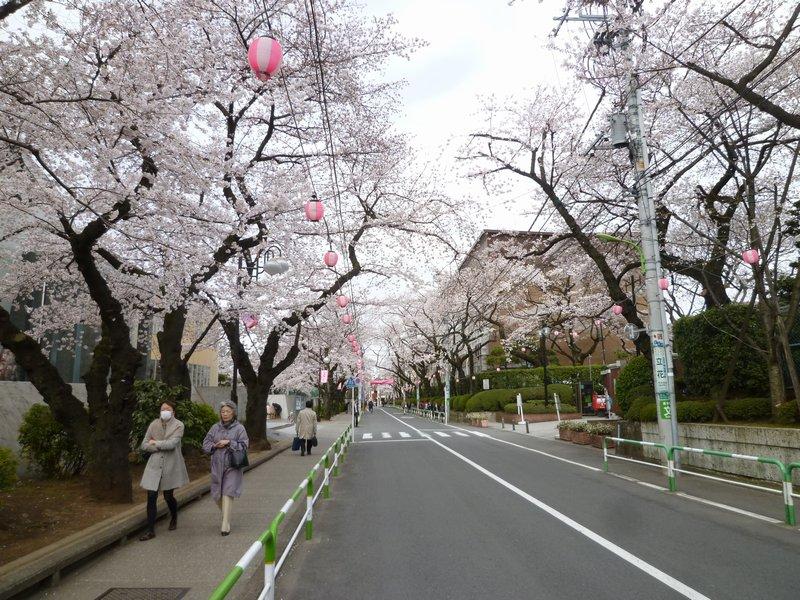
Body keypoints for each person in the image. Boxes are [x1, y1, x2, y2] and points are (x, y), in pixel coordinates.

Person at [138, 400, 189, 541]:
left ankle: (174, 516)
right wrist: (156, 446)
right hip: (154, 465)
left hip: (171, 464)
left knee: (168, 496)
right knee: (151, 496)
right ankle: (150, 530)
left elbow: (172, 444)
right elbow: (144, 444)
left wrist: (155, 442)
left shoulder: (179, 425)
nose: (164, 411)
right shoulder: (154, 424)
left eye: (167, 409)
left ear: (173, 411)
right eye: (162, 409)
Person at [203, 401, 249, 536]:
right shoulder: (215, 428)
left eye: (228, 411)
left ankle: (225, 526)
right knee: (217, 495)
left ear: (233, 413)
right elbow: (205, 443)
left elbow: (245, 445)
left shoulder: (240, 428)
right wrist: (215, 446)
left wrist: (229, 442)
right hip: (217, 465)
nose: (225, 414)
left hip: (232, 465)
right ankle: (226, 517)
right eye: (223, 412)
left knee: (227, 493)